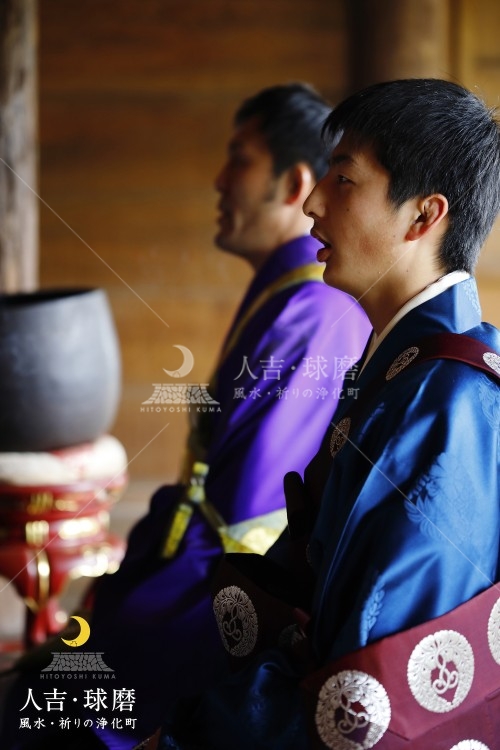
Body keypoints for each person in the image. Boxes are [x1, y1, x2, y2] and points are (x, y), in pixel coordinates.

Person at [0, 83, 369, 750]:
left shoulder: (312, 313)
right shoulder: (288, 296)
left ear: (293, 184)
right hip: (192, 567)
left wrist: (127, 602)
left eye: (240, 159)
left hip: (213, 601)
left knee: (43, 705)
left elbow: (245, 527)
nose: (220, 180)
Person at [147, 79, 500, 749]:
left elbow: (368, 694)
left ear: (422, 217)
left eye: (343, 179)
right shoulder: (399, 365)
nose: (312, 202)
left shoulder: (448, 401)